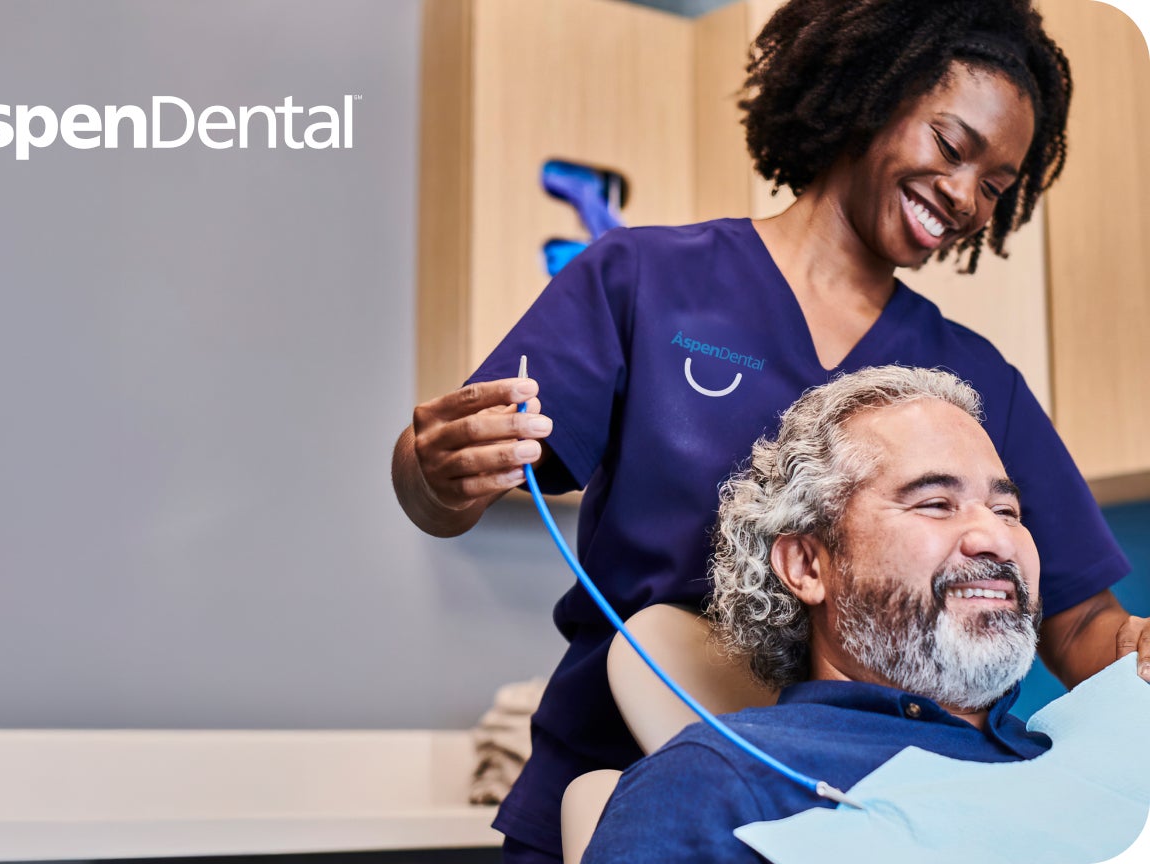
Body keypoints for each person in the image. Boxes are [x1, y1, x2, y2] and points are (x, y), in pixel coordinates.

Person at [391, 1, 1150, 860]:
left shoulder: (974, 379)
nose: (968, 197)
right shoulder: (648, 281)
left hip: (885, 806)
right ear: (874, 94)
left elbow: (1086, 624)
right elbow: (449, 484)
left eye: (997, 186)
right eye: (951, 146)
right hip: (639, 778)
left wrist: (1139, 653)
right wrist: (431, 470)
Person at [581, 365, 1055, 863]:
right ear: (808, 565)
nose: (998, 540)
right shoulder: (713, 785)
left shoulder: (1076, 749)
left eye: (1007, 513)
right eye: (936, 503)